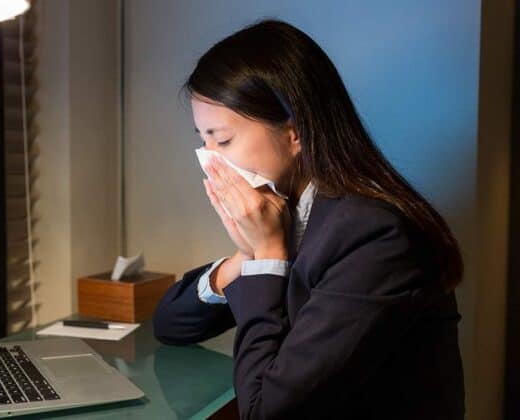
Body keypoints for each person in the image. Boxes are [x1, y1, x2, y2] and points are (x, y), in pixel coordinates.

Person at [152, 19, 465, 419]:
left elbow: (266, 411)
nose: (209, 160)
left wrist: (267, 256)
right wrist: (244, 258)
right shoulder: (293, 210)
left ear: (295, 133)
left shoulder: (373, 236)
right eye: (203, 140)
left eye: (223, 139)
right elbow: (171, 324)